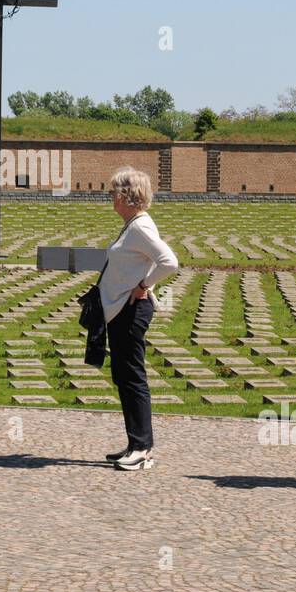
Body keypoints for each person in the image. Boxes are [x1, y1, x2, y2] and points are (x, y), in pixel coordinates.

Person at [99, 166, 180, 471]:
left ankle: (142, 448)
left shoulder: (140, 227)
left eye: (113, 192)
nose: (110, 197)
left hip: (130, 311)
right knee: (124, 377)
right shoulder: (134, 225)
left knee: (132, 378)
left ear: (127, 195)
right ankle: (135, 443)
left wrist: (144, 286)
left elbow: (169, 261)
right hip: (121, 311)